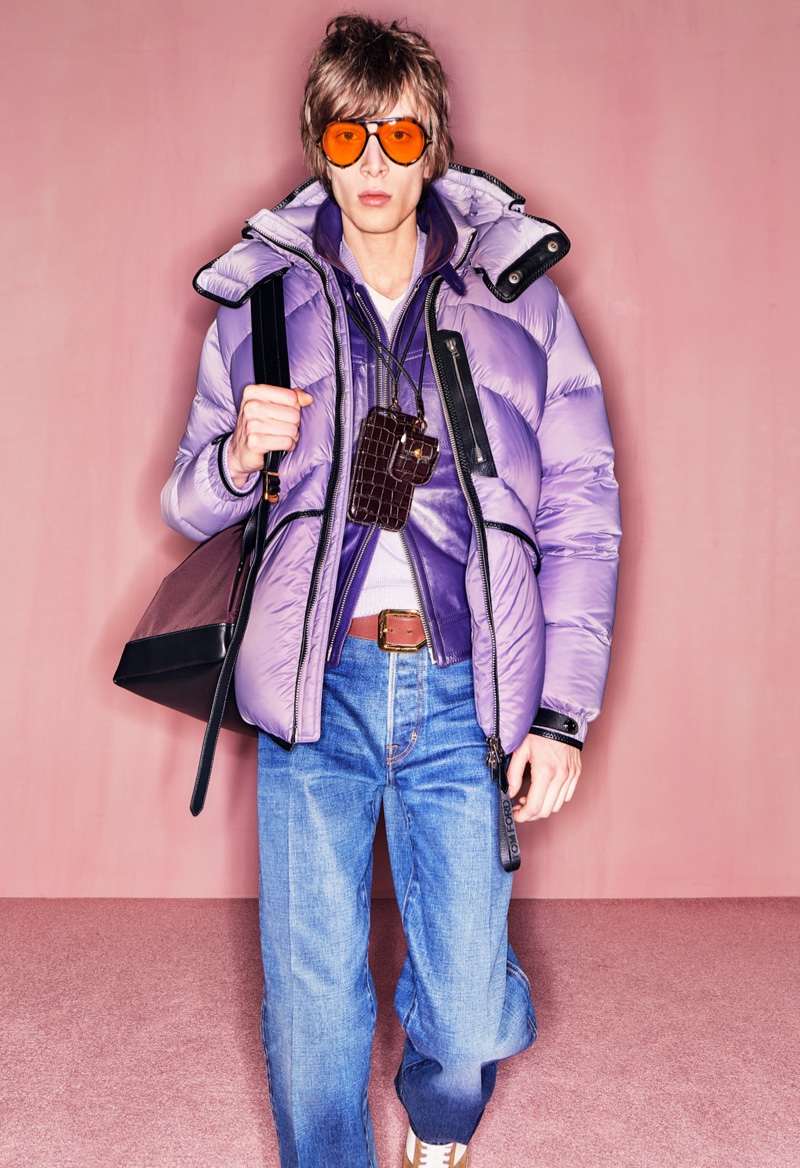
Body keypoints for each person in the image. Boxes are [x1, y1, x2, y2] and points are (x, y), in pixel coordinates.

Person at [162, 13, 621, 1168]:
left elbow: (580, 510)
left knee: (463, 1014)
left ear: (434, 144)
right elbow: (188, 501)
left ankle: (438, 1115)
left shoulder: (520, 300)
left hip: (464, 687)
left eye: (399, 136)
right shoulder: (258, 305)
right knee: (312, 997)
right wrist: (235, 456)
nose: (373, 163)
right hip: (314, 686)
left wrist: (561, 713)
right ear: (317, 143)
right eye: (347, 136)